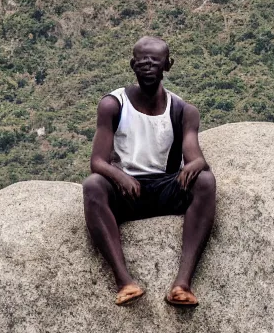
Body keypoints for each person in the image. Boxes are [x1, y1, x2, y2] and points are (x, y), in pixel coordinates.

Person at [82, 36, 216, 306]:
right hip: (126, 191)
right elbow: (97, 161)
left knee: (205, 182)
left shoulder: (183, 110)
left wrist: (196, 164)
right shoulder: (113, 104)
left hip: (165, 188)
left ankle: (182, 285)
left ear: (168, 65)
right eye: (141, 61)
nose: (147, 66)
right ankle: (125, 282)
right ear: (132, 64)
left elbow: (195, 157)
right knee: (93, 185)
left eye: (155, 61)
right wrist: (119, 176)